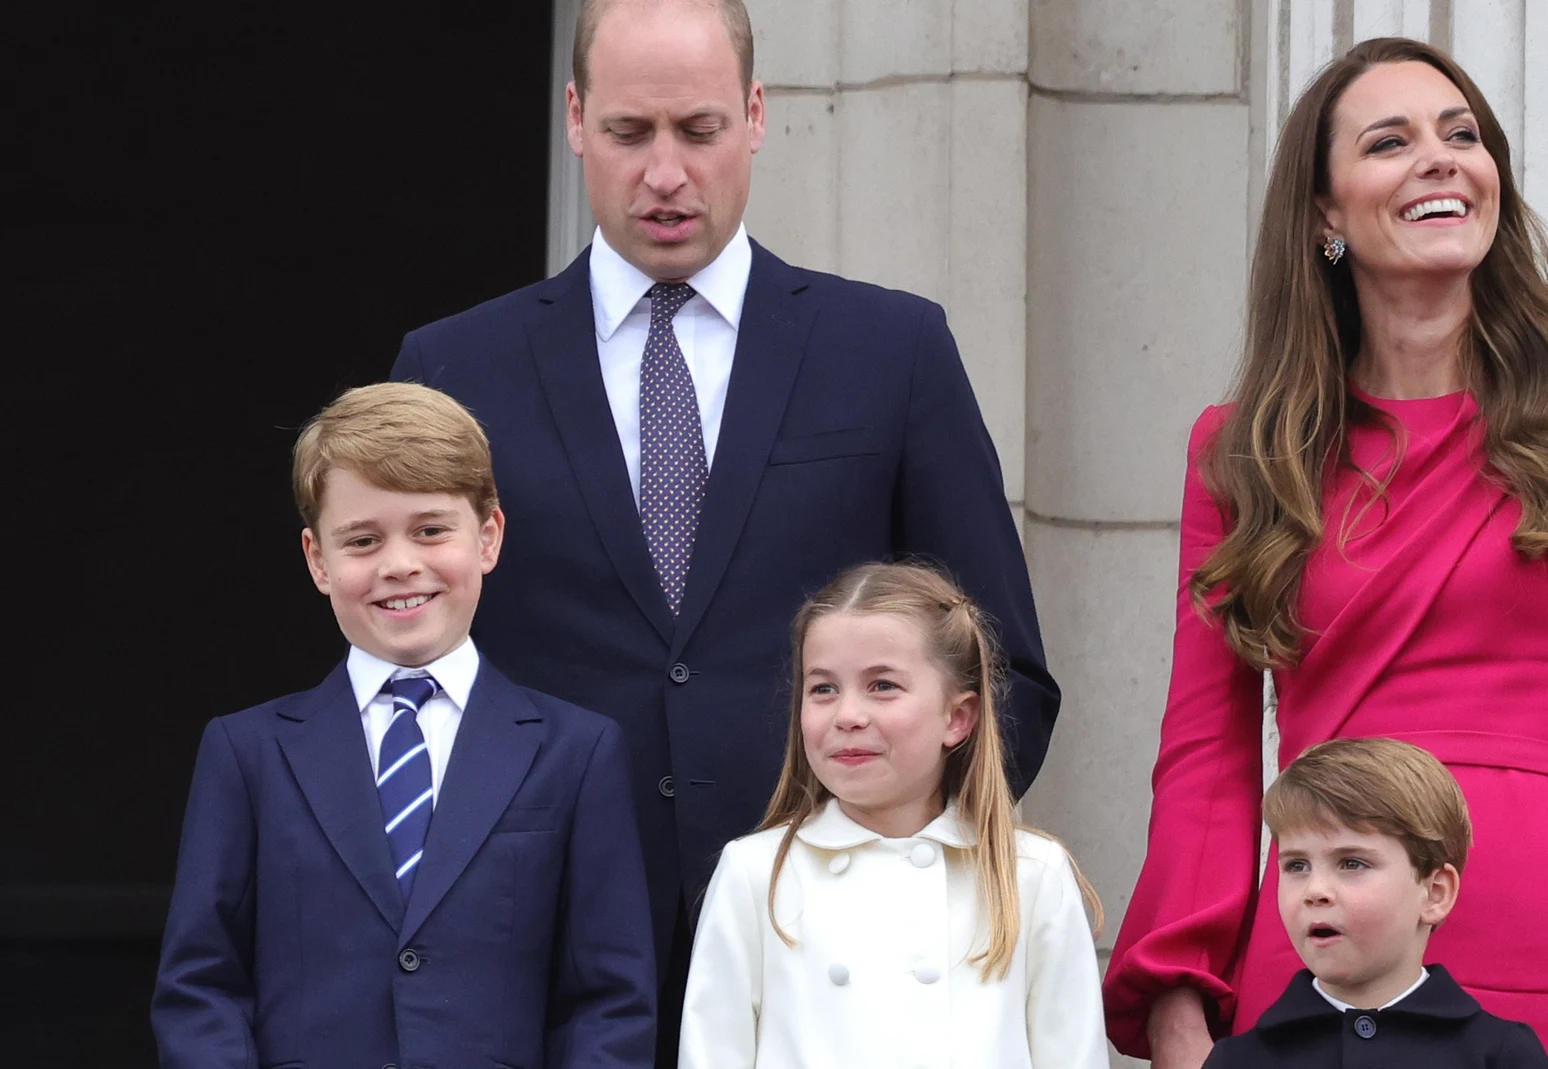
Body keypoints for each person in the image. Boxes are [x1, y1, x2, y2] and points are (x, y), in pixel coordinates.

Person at [388, 3, 1056, 1053]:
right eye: (628, 133)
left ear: (754, 116)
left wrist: (890, 877)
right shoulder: (454, 369)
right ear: (573, 119)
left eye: (697, 131)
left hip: (831, 971)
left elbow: (1002, 666)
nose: (664, 173)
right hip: (541, 964)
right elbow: (399, 679)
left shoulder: (890, 350)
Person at [1101, 36, 1548, 1069]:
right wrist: (1179, 1002)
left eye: (1462, 136)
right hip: (1315, 952)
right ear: (1324, 213)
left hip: (1536, 941)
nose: (1441, 158)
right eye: (1390, 141)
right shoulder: (1239, 450)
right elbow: (1203, 755)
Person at [151, 383, 657, 1068]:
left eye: (430, 529)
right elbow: (200, 986)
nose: (398, 564)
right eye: (362, 539)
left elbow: (608, 1002)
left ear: (488, 536)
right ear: (317, 559)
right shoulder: (248, 753)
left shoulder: (576, 751)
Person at [676, 562, 1107, 1069]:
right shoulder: (755, 873)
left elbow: (1074, 1056)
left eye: (882, 685)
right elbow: (711, 1053)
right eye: (823, 689)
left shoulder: (1031, 874)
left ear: (957, 718)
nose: (848, 714)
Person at [1203, 737, 1548, 1068]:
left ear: (1434, 893)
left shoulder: (1501, 1054)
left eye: (1351, 863)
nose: (1315, 889)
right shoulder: (1236, 1060)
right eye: (1297, 865)